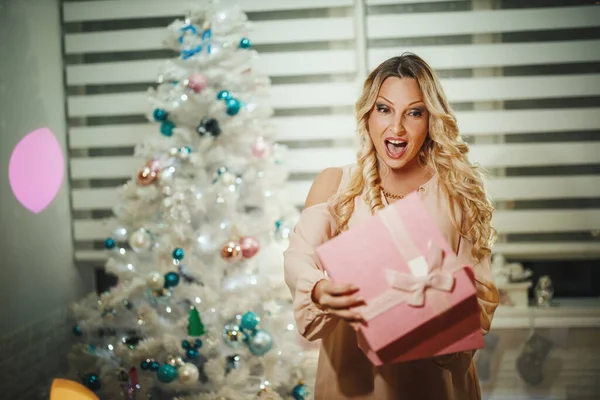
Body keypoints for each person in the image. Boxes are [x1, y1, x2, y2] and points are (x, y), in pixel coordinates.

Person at [283, 53, 500, 399]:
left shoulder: (457, 195)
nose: (396, 127)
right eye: (384, 109)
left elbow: (482, 293)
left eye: (414, 112)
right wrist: (319, 290)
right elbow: (298, 258)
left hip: (433, 384)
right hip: (353, 383)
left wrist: (450, 336)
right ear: (368, 116)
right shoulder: (335, 184)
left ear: (430, 120)